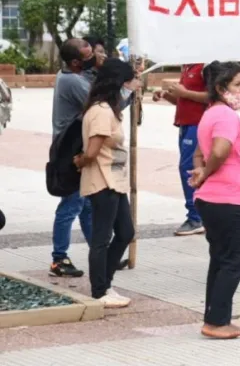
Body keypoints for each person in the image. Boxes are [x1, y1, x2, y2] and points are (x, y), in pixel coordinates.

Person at [187, 62, 240, 339]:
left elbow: (199, 152)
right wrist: (207, 173)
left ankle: (217, 318)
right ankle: (217, 322)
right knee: (235, 258)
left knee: (222, 259)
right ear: (221, 88)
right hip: (230, 199)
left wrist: (201, 171)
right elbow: (219, 151)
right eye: (237, 85)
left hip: (221, 199)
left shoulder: (213, 113)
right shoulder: (225, 115)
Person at [73, 59, 138, 309]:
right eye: (129, 81)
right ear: (118, 83)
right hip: (102, 181)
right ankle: (99, 290)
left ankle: (106, 282)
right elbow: (91, 153)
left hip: (115, 181)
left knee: (125, 233)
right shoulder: (100, 111)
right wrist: (78, 162)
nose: (132, 86)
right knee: (102, 237)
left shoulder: (109, 108)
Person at [49, 39, 96, 277]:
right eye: (89, 57)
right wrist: (127, 87)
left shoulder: (69, 75)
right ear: (76, 62)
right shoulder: (73, 80)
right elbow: (102, 104)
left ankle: (98, 252)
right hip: (69, 150)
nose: (94, 60)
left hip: (71, 146)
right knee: (71, 205)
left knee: (86, 205)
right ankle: (59, 259)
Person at [153, 64, 209, 237]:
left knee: (188, 168)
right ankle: (201, 215)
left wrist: (184, 93)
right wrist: (168, 96)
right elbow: (184, 100)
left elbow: (212, 96)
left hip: (197, 124)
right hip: (185, 124)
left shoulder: (204, 66)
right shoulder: (187, 66)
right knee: (190, 168)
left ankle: (195, 217)